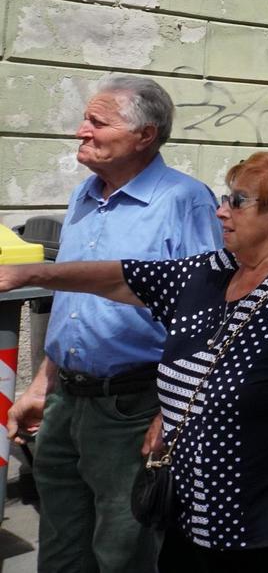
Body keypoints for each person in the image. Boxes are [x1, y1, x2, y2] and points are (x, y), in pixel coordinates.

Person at [0, 150, 268, 569]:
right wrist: (31, 274)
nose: (220, 212)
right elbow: (117, 276)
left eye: (237, 201)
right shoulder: (211, 271)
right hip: (190, 518)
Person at [5, 76, 221, 571]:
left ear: (144, 135)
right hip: (64, 405)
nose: (81, 131)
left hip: (132, 408)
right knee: (61, 548)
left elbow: (205, 319)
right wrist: (41, 386)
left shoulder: (185, 201)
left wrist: (172, 416)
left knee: (124, 552)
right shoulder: (86, 193)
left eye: (97, 123)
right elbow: (72, 307)